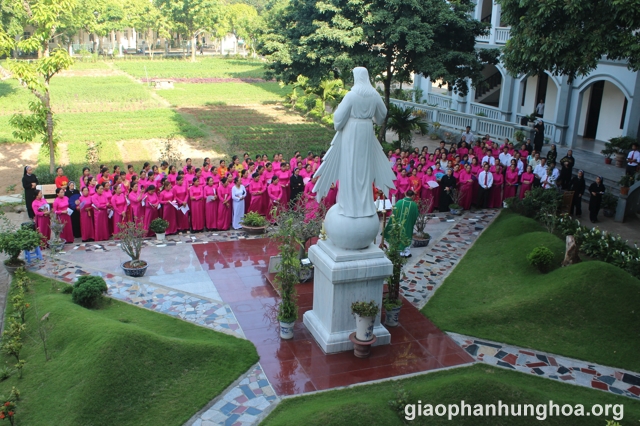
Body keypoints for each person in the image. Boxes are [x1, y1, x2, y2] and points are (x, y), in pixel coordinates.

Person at [313, 67, 395, 218]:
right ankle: (364, 206)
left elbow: (338, 119)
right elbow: (382, 115)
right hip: (367, 130)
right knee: (364, 168)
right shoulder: (374, 95)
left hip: (352, 132)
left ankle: (349, 205)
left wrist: (343, 123)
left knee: (350, 167)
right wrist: (373, 119)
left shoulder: (351, 95)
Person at [384, 190, 418, 257]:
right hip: (408, 224)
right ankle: (406, 252)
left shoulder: (399, 202)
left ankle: (397, 250)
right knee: (406, 235)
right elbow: (416, 215)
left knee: (398, 233)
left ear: (405, 194)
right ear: (413, 196)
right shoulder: (414, 204)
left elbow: (394, 213)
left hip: (398, 223)